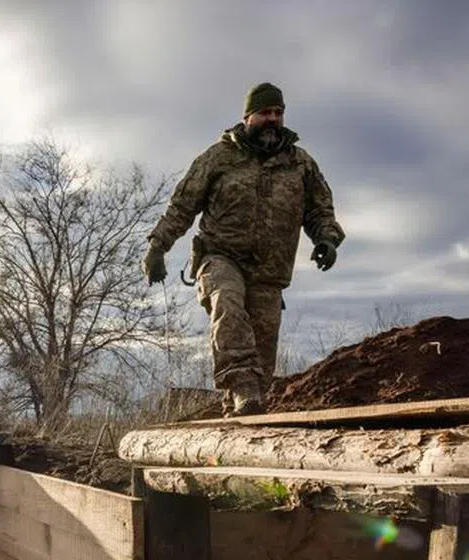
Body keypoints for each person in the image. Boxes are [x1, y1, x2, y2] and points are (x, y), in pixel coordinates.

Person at [142, 82, 345, 416]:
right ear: (248, 116)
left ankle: (237, 419)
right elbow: (181, 206)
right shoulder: (219, 157)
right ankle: (243, 388)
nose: (273, 119)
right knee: (228, 306)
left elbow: (320, 209)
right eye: (265, 112)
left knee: (261, 367)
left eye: (278, 113)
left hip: (270, 272)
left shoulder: (300, 163)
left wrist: (327, 238)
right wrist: (157, 247)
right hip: (220, 257)